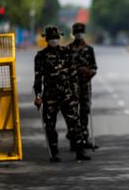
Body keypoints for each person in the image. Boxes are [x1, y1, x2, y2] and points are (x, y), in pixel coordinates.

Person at [33, 25, 90, 162]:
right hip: (50, 97)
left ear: (59, 38)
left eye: (56, 37)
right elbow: (38, 78)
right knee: (50, 126)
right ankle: (54, 153)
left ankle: (80, 151)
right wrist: (38, 96)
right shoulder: (41, 56)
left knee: (74, 124)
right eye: (51, 38)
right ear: (47, 39)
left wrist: (76, 93)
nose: (54, 40)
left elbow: (73, 75)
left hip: (68, 96)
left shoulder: (67, 52)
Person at [68, 22, 98, 150]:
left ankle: (85, 139)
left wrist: (88, 72)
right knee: (73, 114)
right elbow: (64, 69)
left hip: (85, 86)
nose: (79, 34)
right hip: (72, 87)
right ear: (74, 33)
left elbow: (94, 68)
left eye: (81, 32)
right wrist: (76, 70)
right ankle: (74, 140)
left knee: (84, 112)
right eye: (77, 32)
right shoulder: (68, 49)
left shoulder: (89, 49)